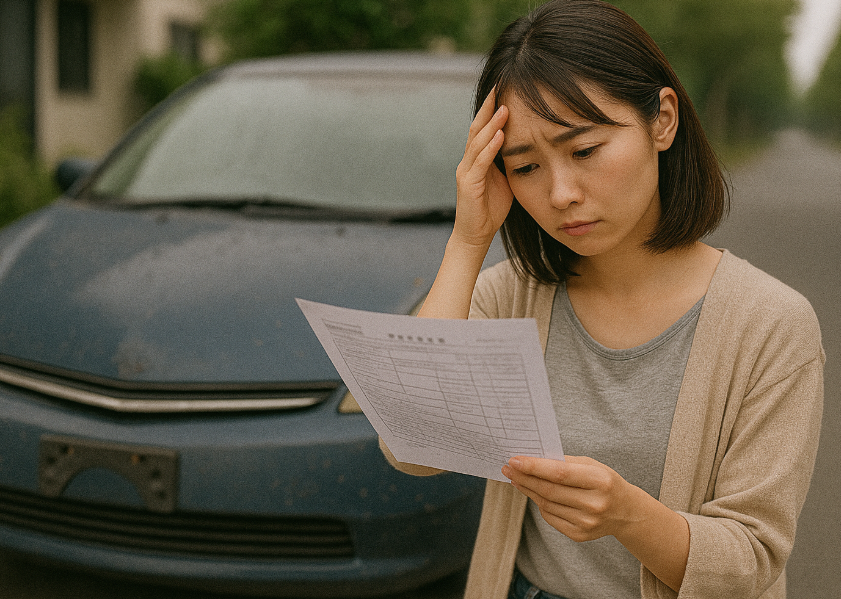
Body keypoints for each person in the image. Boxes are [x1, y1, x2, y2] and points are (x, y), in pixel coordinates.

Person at [379, 1, 825, 598]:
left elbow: (751, 559)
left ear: (661, 120)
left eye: (584, 151)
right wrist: (468, 239)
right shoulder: (512, 294)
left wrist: (629, 517)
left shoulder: (771, 325)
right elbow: (412, 445)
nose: (560, 193)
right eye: (525, 165)